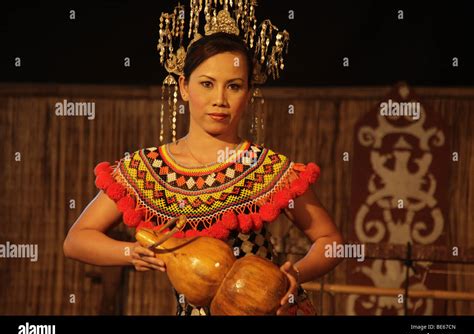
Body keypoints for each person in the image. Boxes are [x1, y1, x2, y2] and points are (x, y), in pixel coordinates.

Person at [63, 32, 343, 316]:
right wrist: (130, 253)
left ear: (248, 94)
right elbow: (76, 240)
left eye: (234, 86)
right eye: (207, 84)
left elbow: (331, 242)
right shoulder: (148, 170)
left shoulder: (266, 168)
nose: (219, 99)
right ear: (184, 87)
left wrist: (294, 273)